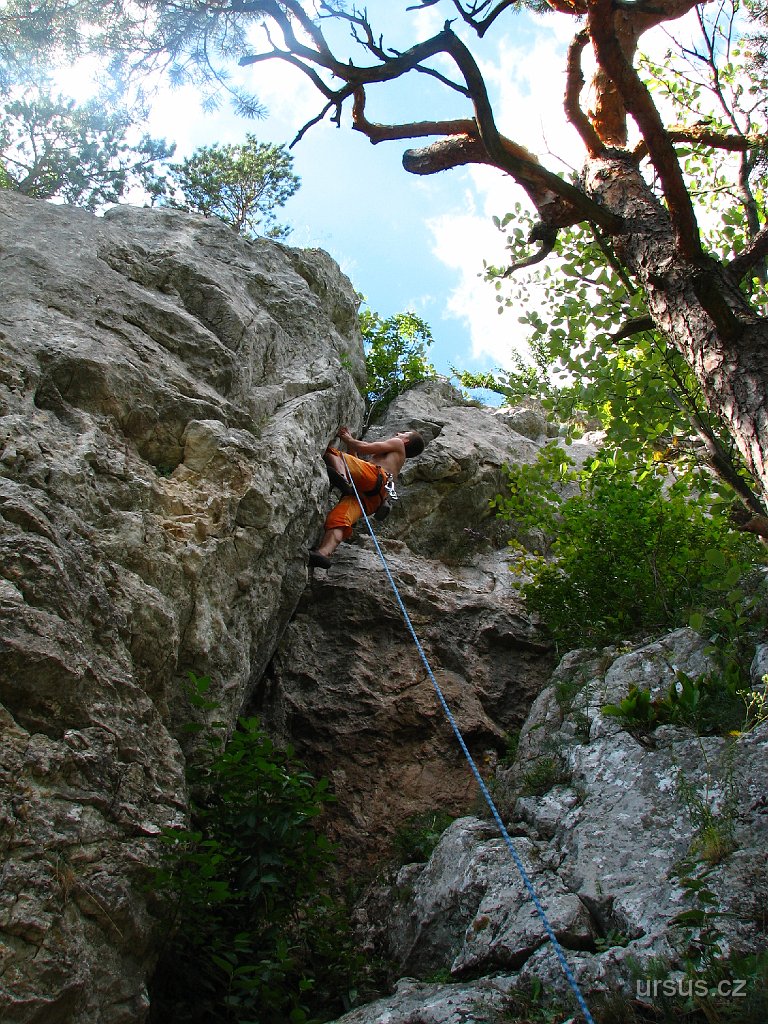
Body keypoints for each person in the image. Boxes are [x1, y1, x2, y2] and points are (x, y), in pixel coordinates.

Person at [309, 425, 425, 568]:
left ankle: (342, 478)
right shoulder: (393, 460)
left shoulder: (398, 443)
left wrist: (347, 438)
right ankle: (323, 554)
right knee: (339, 519)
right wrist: (351, 445)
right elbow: (357, 466)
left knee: (333, 454)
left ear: (406, 441)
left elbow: (365, 447)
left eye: (403, 433)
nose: (398, 433)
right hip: (374, 499)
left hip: (376, 479)